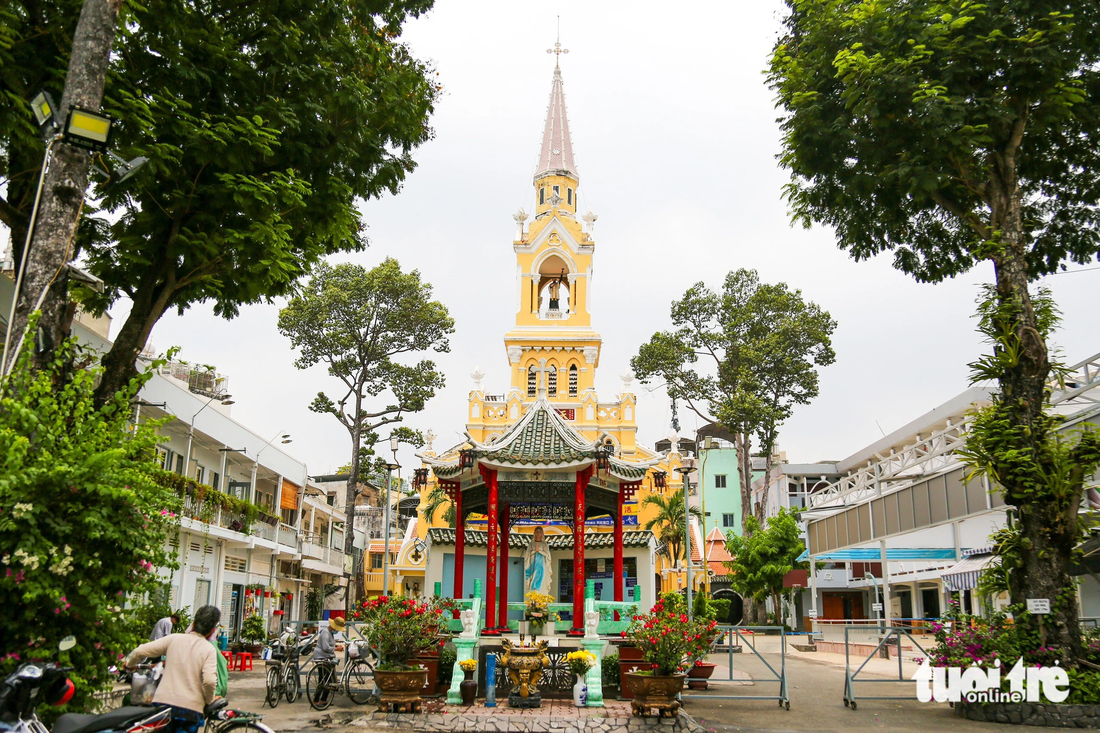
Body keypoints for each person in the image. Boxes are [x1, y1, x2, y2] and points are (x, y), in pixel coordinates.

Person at [126, 605, 220, 733]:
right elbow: (209, 681)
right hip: (190, 711)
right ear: (212, 630)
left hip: (162, 707)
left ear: (193, 623)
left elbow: (139, 651)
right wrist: (209, 700)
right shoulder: (209, 650)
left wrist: (129, 665)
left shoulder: (173, 639)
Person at [311, 616, 344, 704]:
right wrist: (336, 649)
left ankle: (323, 699)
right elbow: (325, 647)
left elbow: (330, 644)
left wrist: (335, 646)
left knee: (329, 679)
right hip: (321, 657)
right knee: (323, 679)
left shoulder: (330, 633)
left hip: (327, 657)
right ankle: (316, 700)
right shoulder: (325, 632)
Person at [524, 526, 553, 596]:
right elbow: (528, 555)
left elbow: (547, 555)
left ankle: (541, 597)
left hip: (542, 566)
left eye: (540, 532)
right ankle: (534, 597)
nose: (538, 533)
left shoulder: (544, 544)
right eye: (537, 532)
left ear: (542, 533)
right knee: (533, 580)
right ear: (534, 533)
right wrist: (534, 551)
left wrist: (539, 551)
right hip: (533, 566)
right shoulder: (531, 544)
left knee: (542, 581)